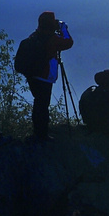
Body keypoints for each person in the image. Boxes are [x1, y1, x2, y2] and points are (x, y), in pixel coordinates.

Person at [19, 11, 73, 141]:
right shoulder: (52, 39)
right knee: (42, 106)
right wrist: (63, 28)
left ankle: (38, 132)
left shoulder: (34, 36)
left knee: (39, 103)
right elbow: (68, 42)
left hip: (32, 75)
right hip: (44, 76)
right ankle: (42, 134)